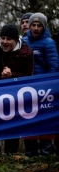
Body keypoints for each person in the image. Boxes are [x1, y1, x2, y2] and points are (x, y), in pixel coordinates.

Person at [0, 24, 34, 155]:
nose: (4, 42)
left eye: (8, 39)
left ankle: (11, 154)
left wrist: (12, 75)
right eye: (2, 38)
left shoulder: (27, 53)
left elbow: (29, 76)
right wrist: (0, 74)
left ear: (15, 40)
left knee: (12, 122)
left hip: (15, 94)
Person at [22, 12, 58, 157]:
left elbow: (54, 66)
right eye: (33, 25)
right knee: (28, 120)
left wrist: (48, 85)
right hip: (26, 89)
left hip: (44, 88)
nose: (36, 28)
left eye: (39, 25)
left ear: (43, 27)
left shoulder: (49, 43)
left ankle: (46, 152)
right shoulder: (23, 41)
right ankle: (30, 153)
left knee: (44, 120)